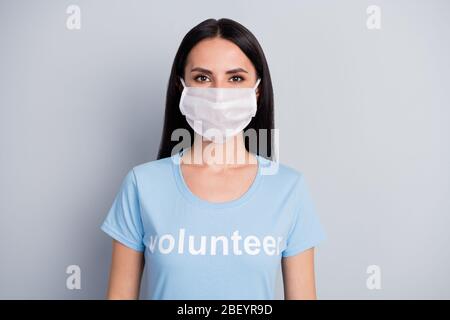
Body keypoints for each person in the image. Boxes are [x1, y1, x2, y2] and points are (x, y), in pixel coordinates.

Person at [101, 18, 326, 300]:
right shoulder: (142, 185)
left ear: (256, 89)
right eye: (203, 78)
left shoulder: (288, 188)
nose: (219, 94)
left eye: (235, 78)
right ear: (181, 86)